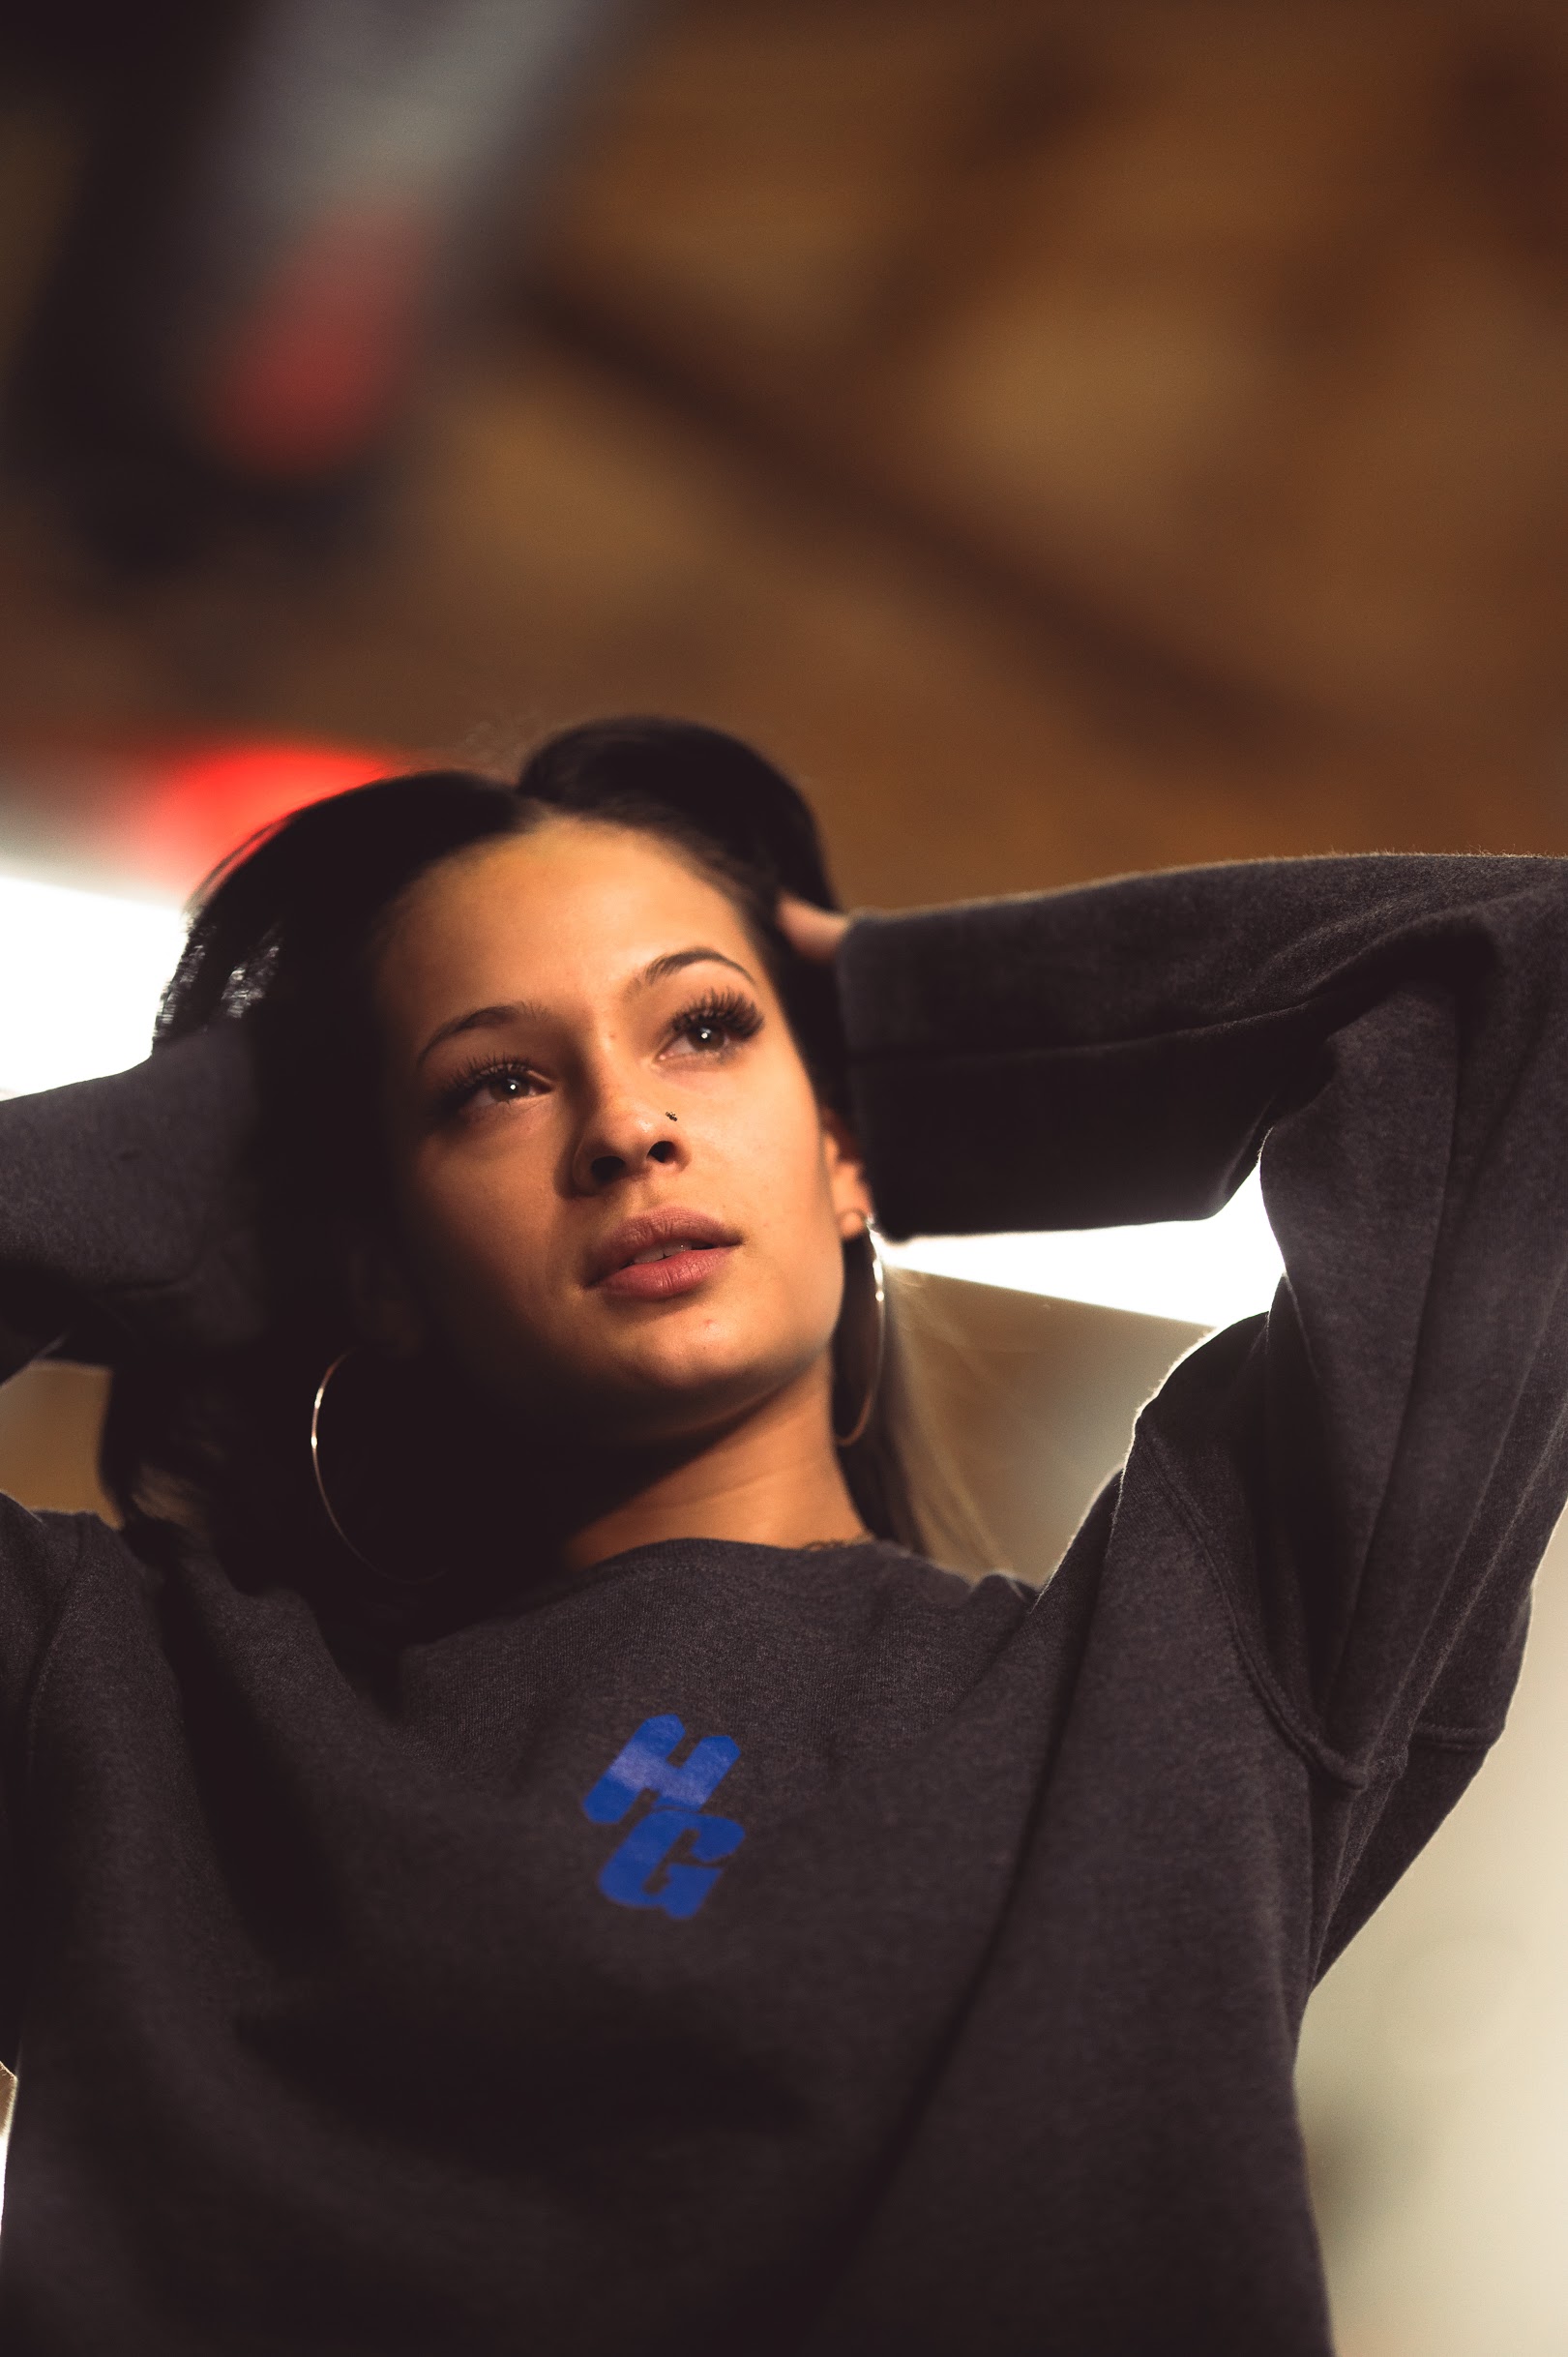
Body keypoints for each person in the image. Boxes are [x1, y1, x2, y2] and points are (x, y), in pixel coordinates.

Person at [0, 715, 1563, 2357]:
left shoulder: (1189, 1685)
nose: (627, 1127)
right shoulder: (121, 1713)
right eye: (496, 1083)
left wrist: (902, 1033)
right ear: (376, 1269)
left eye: (704, 1027)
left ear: (841, 1153)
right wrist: (243, 1143)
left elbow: (1515, 984)